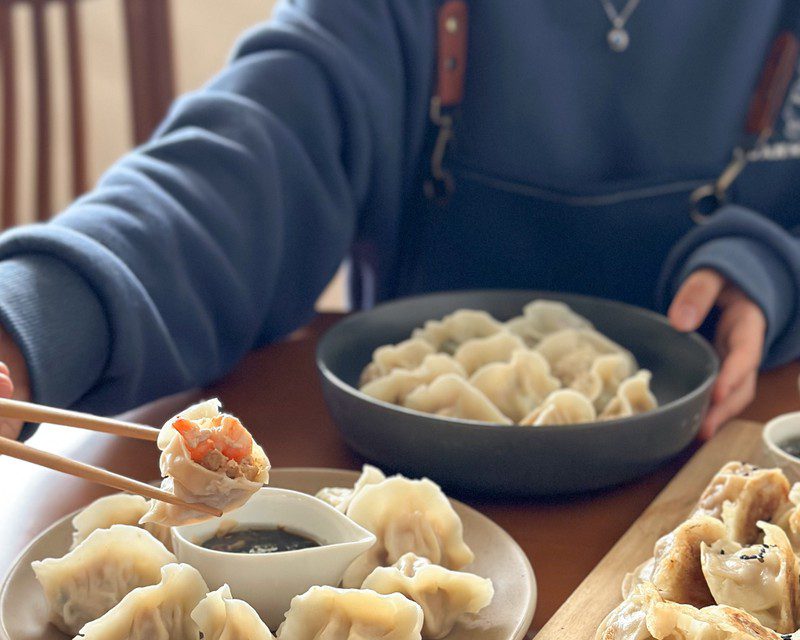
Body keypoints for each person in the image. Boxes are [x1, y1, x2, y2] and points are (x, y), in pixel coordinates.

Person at [0, 0, 794, 441]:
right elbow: (231, 174)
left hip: (724, 468)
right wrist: (29, 321)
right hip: (406, 521)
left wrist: (774, 267)